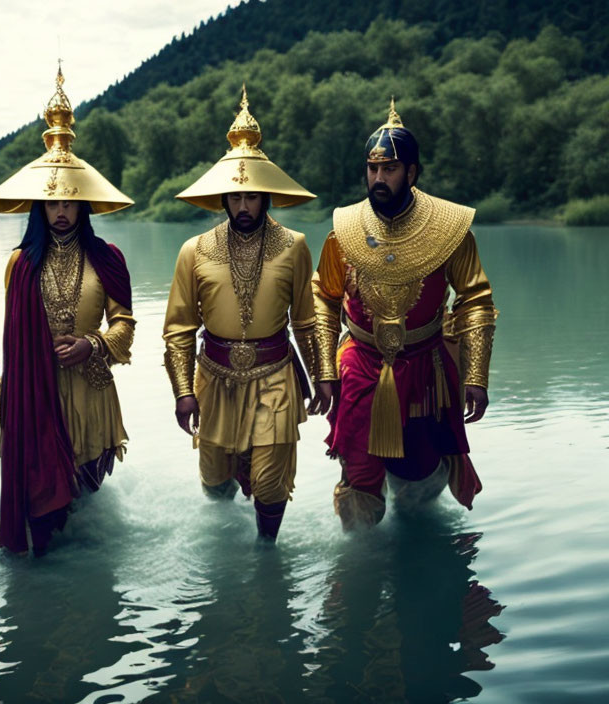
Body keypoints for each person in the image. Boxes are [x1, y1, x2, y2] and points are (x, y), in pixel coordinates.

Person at [311, 99, 498, 529]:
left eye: (389, 169)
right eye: (372, 169)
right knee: (359, 475)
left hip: (426, 367)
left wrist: (475, 377)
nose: (379, 178)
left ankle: (417, 541)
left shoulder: (451, 229)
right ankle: (360, 563)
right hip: (359, 363)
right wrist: (323, 368)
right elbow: (323, 296)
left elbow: (476, 301)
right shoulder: (344, 227)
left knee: (421, 474)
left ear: (411, 173)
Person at [0, 67, 135, 555]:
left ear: (83, 203)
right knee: (47, 512)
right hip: (36, 394)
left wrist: (93, 343)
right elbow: (11, 343)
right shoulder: (19, 265)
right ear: (38, 207)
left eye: (70, 201)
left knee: (84, 502)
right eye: (52, 202)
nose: (61, 210)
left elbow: (125, 329)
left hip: (91, 393)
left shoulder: (108, 258)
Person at [163, 86, 318, 541]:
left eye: (252, 197)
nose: (244, 206)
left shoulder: (295, 247)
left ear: (266, 196)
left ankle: (267, 555)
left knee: (271, 481)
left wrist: (324, 375)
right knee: (214, 479)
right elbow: (177, 331)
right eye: (236, 198)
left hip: (275, 374)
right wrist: (181, 391)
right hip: (214, 378)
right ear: (223, 200)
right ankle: (224, 544)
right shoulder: (194, 250)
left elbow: (307, 320)